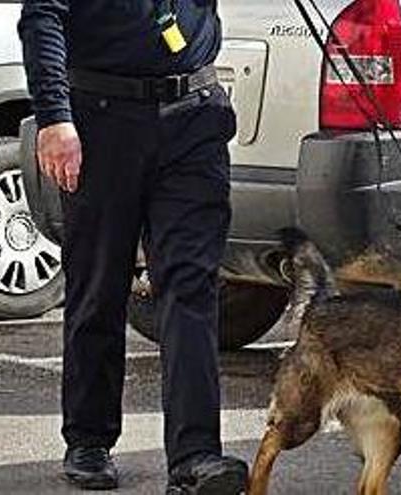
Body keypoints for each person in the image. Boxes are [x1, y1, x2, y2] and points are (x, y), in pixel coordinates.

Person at [18, 1, 247, 493]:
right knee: (99, 284)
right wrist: (54, 117)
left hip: (195, 115)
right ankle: (89, 439)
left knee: (190, 287)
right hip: (101, 119)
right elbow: (43, 17)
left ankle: (195, 456)